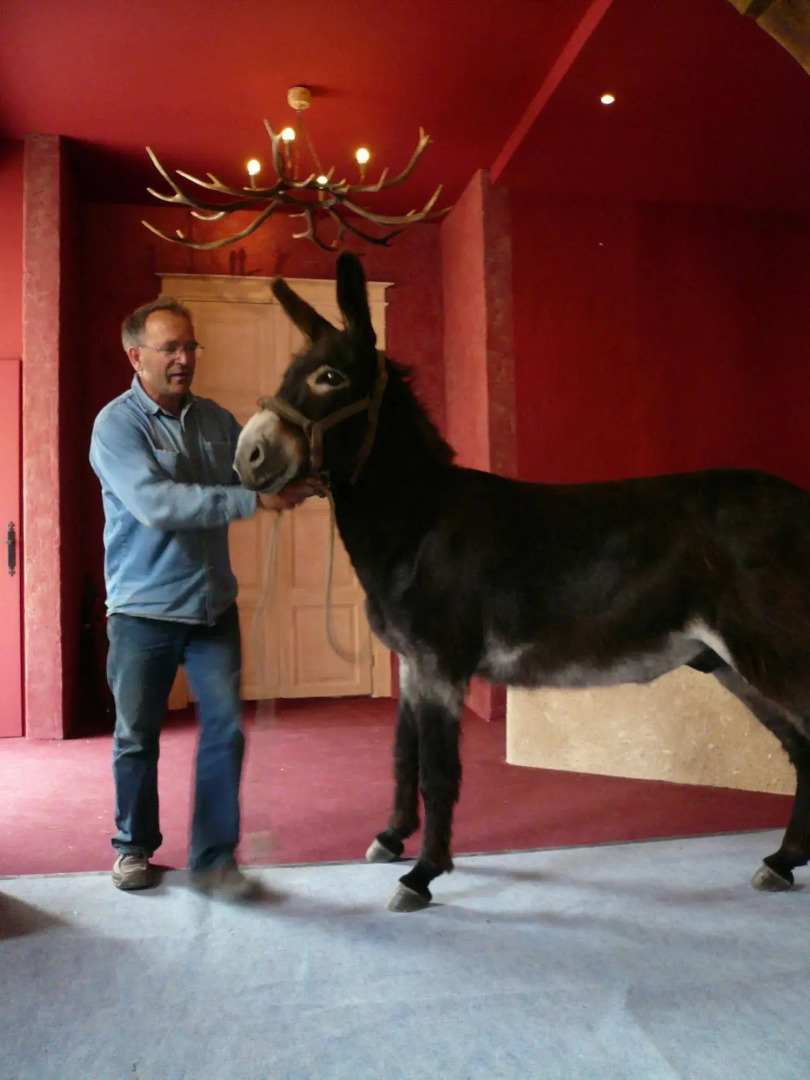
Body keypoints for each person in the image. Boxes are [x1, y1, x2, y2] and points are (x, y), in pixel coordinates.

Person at [89, 297, 316, 898]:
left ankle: (213, 859)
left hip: (213, 610)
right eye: (171, 348)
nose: (185, 358)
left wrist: (306, 468)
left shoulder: (216, 420)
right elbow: (158, 506)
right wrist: (253, 502)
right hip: (141, 613)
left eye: (190, 346)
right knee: (137, 737)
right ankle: (133, 847)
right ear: (137, 357)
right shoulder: (116, 426)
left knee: (225, 731)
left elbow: (257, 471)